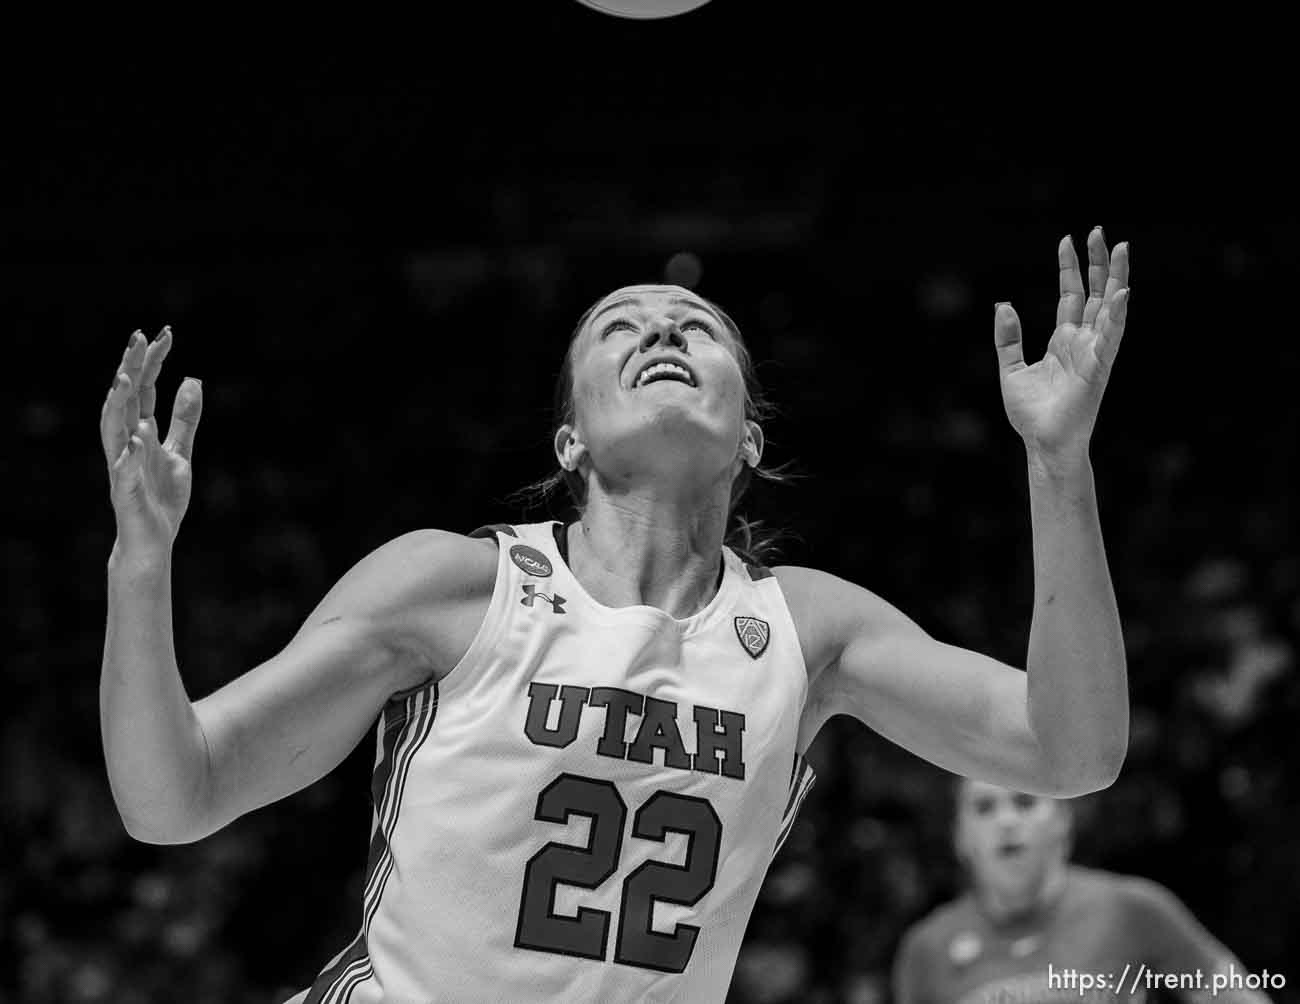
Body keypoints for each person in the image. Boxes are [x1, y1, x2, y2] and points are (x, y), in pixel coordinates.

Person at [100, 228, 1131, 1004]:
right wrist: (139, 568)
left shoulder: (810, 631)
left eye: (697, 328)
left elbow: (1070, 748)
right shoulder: (452, 589)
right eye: (620, 325)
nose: (664, 329)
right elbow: (173, 795)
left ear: (750, 441)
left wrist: (1058, 465)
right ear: (568, 440)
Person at [892, 779, 1275, 1004]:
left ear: (1062, 820)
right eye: (984, 807)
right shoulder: (926, 947)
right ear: (960, 836)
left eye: (1026, 802)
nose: (1006, 821)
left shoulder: (1131, 908)